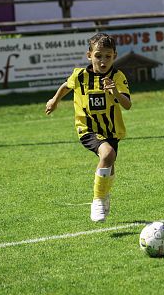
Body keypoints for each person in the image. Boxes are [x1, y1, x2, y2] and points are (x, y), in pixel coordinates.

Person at [45, 33, 132, 222]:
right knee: (108, 155)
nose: (103, 60)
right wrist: (54, 100)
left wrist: (114, 92)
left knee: (110, 164)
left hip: (111, 130)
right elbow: (66, 86)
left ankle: (104, 195)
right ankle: (98, 199)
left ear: (114, 57)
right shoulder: (80, 76)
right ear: (89, 55)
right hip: (87, 128)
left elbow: (127, 104)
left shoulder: (117, 76)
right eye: (99, 55)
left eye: (108, 56)